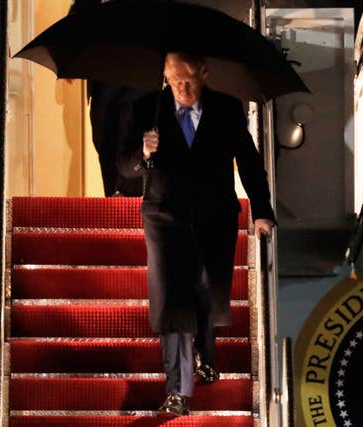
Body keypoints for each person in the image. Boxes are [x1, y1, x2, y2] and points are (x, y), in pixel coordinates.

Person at [119, 52, 275, 416]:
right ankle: (178, 390)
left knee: (206, 291)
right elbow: (123, 165)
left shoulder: (227, 108)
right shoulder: (148, 107)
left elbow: (249, 162)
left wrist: (262, 212)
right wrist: (143, 152)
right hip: (164, 216)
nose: (181, 88)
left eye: (188, 79)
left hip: (214, 215)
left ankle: (206, 351)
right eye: (174, 80)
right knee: (173, 301)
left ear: (204, 73)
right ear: (164, 76)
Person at [69, 0, 144, 196]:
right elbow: (80, 11)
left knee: (132, 144)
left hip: (140, 78)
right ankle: (113, 196)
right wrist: (71, 55)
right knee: (105, 145)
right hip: (103, 81)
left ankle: (131, 202)